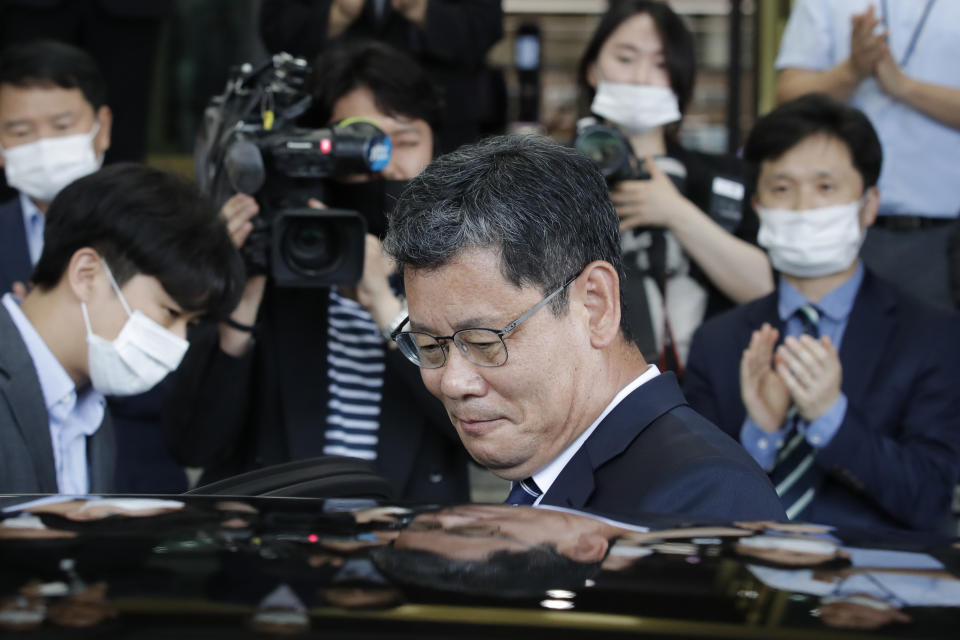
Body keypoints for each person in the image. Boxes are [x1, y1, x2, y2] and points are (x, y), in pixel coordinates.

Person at [382, 134, 786, 522]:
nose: (451, 383)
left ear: (595, 305)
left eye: (483, 341)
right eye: (430, 345)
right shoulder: (556, 472)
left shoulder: (704, 497)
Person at [165, 40, 471, 504]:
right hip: (280, 554)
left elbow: (484, 436)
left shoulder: (466, 268)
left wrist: (389, 310)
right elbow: (193, 444)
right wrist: (237, 298)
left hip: (409, 550)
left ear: (436, 148)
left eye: (405, 141)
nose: (384, 163)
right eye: (360, 144)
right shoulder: (272, 255)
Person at [683, 94, 960, 532]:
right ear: (758, 208)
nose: (803, 207)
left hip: (870, 586)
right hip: (745, 580)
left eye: (825, 187)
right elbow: (687, 501)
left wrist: (831, 417)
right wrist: (761, 435)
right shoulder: (718, 342)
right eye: (782, 188)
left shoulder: (931, 336)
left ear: (869, 205)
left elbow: (929, 498)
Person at [0, 163, 244, 494]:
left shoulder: (89, 406)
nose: (179, 343)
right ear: (87, 275)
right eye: (170, 312)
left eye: (191, 323)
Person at [576, 0, 773, 372]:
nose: (641, 77)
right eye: (625, 58)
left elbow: (765, 287)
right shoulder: (557, 177)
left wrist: (675, 213)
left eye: (662, 64)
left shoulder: (722, 178)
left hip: (707, 391)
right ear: (592, 69)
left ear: (681, 79)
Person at [776, 0, 960, 309]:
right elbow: (789, 98)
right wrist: (852, 70)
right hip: (837, 229)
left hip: (947, 235)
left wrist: (904, 88)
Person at [259, 0, 503, 153]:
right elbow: (276, 33)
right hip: (329, 117)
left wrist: (421, 9)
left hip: (445, 123)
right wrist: (338, 15)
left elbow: (486, 28)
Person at [0, 40, 112, 297]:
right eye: (21, 131)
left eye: (62, 126)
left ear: (103, 128)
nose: (43, 144)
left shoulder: (150, 228)